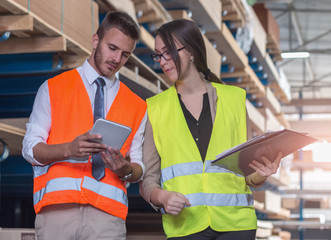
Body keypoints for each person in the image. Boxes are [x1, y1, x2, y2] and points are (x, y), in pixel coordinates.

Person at [139, 19, 283, 240]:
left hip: (236, 225)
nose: (163, 62)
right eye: (158, 55)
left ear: (192, 51)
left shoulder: (233, 100)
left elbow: (246, 172)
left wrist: (262, 174)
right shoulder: (155, 109)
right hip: (185, 227)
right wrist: (162, 196)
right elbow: (148, 181)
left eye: (168, 53)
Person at [22, 11, 147, 239]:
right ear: (95, 40)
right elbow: (29, 148)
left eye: (125, 54)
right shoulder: (53, 88)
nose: (117, 59)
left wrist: (126, 170)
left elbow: (139, 168)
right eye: (112, 48)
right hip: (57, 211)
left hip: (108, 217)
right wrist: (68, 149)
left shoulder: (138, 106)